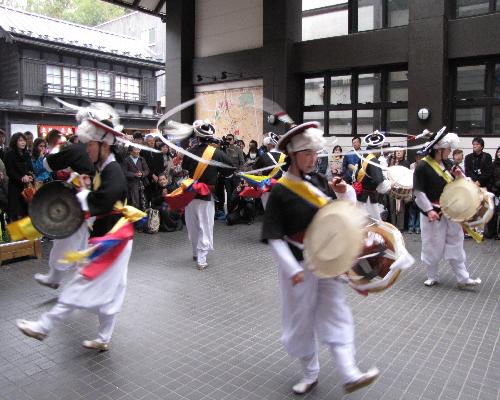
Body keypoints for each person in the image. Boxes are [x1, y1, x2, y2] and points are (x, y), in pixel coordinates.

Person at [262, 121, 379, 396]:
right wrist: (292, 269)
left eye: (315, 153)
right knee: (301, 319)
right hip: (299, 264)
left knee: (336, 312)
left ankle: (349, 373)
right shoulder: (279, 191)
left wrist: (343, 191)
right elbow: (274, 236)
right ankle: (310, 373)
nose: (314, 158)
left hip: (327, 261)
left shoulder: (317, 181)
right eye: (307, 154)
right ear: (293, 155)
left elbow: (338, 214)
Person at [17, 106, 133, 351]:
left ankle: (43, 326)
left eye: (90, 144)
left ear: (104, 145)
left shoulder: (113, 172)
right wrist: (84, 186)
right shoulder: (105, 168)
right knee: (111, 288)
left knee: (82, 283)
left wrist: (81, 197)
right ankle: (103, 338)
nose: (86, 148)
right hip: (112, 237)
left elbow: (103, 202)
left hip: (113, 240)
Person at [413, 129, 481, 288]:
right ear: (439, 149)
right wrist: (429, 210)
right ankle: (432, 275)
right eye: (448, 148)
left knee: (456, 241)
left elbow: (462, 184)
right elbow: (418, 192)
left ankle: (463, 277)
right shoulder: (422, 166)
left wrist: (458, 176)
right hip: (432, 212)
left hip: (450, 211)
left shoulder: (449, 164)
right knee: (431, 244)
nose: (450, 151)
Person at [34, 136, 95, 289]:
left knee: (66, 239)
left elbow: (48, 164)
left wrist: (51, 153)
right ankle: (83, 279)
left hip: (80, 202)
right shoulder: (105, 151)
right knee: (82, 241)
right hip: (95, 201)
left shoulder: (76, 149)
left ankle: (59, 278)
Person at [181, 121, 233, 270]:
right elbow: (230, 170)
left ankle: (195, 253)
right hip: (205, 195)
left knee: (192, 225)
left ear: (197, 137)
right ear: (211, 137)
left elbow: (185, 168)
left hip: (190, 194)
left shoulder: (189, 151)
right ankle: (201, 259)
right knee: (205, 225)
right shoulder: (217, 153)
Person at [4, 132, 33, 221]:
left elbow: (30, 169)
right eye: (20, 140)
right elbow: (9, 171)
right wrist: (21, 178)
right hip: (15, 187)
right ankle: (16, 234)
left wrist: (29, 176)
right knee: (16, 212)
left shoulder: (27, 154)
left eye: (24, 140)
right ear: (14, 142)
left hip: (27, 186)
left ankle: (27, 234)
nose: (23, 142)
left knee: (27, 211)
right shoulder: (9, 154)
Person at [253, 132, 286, 208]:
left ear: (270, 145)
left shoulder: (264, 156)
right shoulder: (284, 156)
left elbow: (255, 170)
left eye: (267, 145)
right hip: (281, 188)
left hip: (267, 188)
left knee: (268, 211)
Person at [387, 149, 411, 231]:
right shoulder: (391, 162)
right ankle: (393, 226)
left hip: (401, 188)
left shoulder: (406, 163)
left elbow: (407, 175)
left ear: (404, 153)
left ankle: (400, 227)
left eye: (400, 151)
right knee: (392, 207)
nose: (398, 153)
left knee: (400, 208)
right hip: (392, 187)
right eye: (397, 151)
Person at [123, 146, 149, 211]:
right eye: (136, 150)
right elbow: (124, 172)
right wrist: (134, 174)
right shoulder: (126, 160)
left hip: (142, 184)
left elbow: (147, 170)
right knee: (134, 202)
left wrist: (142, 173)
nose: (138, 152)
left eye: (138, 149)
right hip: (131, 185)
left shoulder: (141, 159)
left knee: (143, 202)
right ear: (131, 152)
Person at [408, 150, 425, 234]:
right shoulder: (412, 166)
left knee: (419, 209)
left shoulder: (425, 166)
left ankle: (418, 227)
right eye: (418, 157)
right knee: (412, 209)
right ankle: (411, 226)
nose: (419, 158)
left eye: (421, 157)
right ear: (415, 157)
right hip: (412, 188)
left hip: (421, 189)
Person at [490, 146, 500, 240]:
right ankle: (493, 233)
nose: (499, 153)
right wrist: (495, 186)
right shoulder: (493, 164)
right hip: (495, 192)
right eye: (498, 152)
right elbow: (491, 177)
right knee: (495, 213)